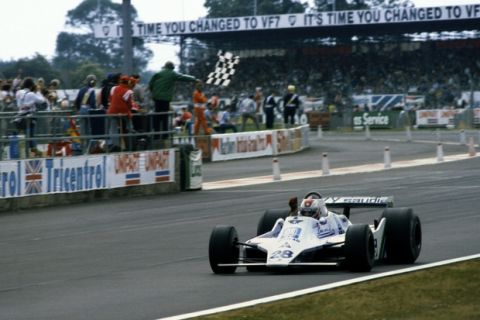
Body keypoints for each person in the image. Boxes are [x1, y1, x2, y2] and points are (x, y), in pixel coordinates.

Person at [148, 61, 200, 140]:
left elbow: (150, 84)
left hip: (157, 98)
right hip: (165, 99)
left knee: (157, 116)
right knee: (165, 116)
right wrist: (194, 79)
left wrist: (154, 92)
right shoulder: (172, 73)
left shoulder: (158, 73)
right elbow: (183, 77)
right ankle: (165, 136)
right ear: (172, 67)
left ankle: (156, 135)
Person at [13, 77, 46, 157]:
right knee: (31, 136)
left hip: (19, 117)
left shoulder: (18, 92)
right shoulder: (31, 94)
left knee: (24, 137)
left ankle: (29, 151)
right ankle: (32, 151)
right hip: (29, 118)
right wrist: (38, 91)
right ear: (31, 86)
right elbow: (42, 100)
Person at [107, 75, 134, 152]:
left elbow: (110, 98)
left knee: (113, 129)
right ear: (128, 82)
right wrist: (128, 111)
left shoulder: (114, 88)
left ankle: (115, 145)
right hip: (123, 111)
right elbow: (129, 104)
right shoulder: (128, 91)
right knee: (129, 122)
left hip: (112, 111)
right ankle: (131, 131)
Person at [74, 74, 97, 151]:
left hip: (81, 110)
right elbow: (92, 102)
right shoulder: (91, 90)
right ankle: (90, 148)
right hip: (89, 111)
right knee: (90, 130)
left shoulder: (81, 89)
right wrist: (95, 109)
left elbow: (77, 101)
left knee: (83, 130)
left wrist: (78, 109)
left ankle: (83, 147)